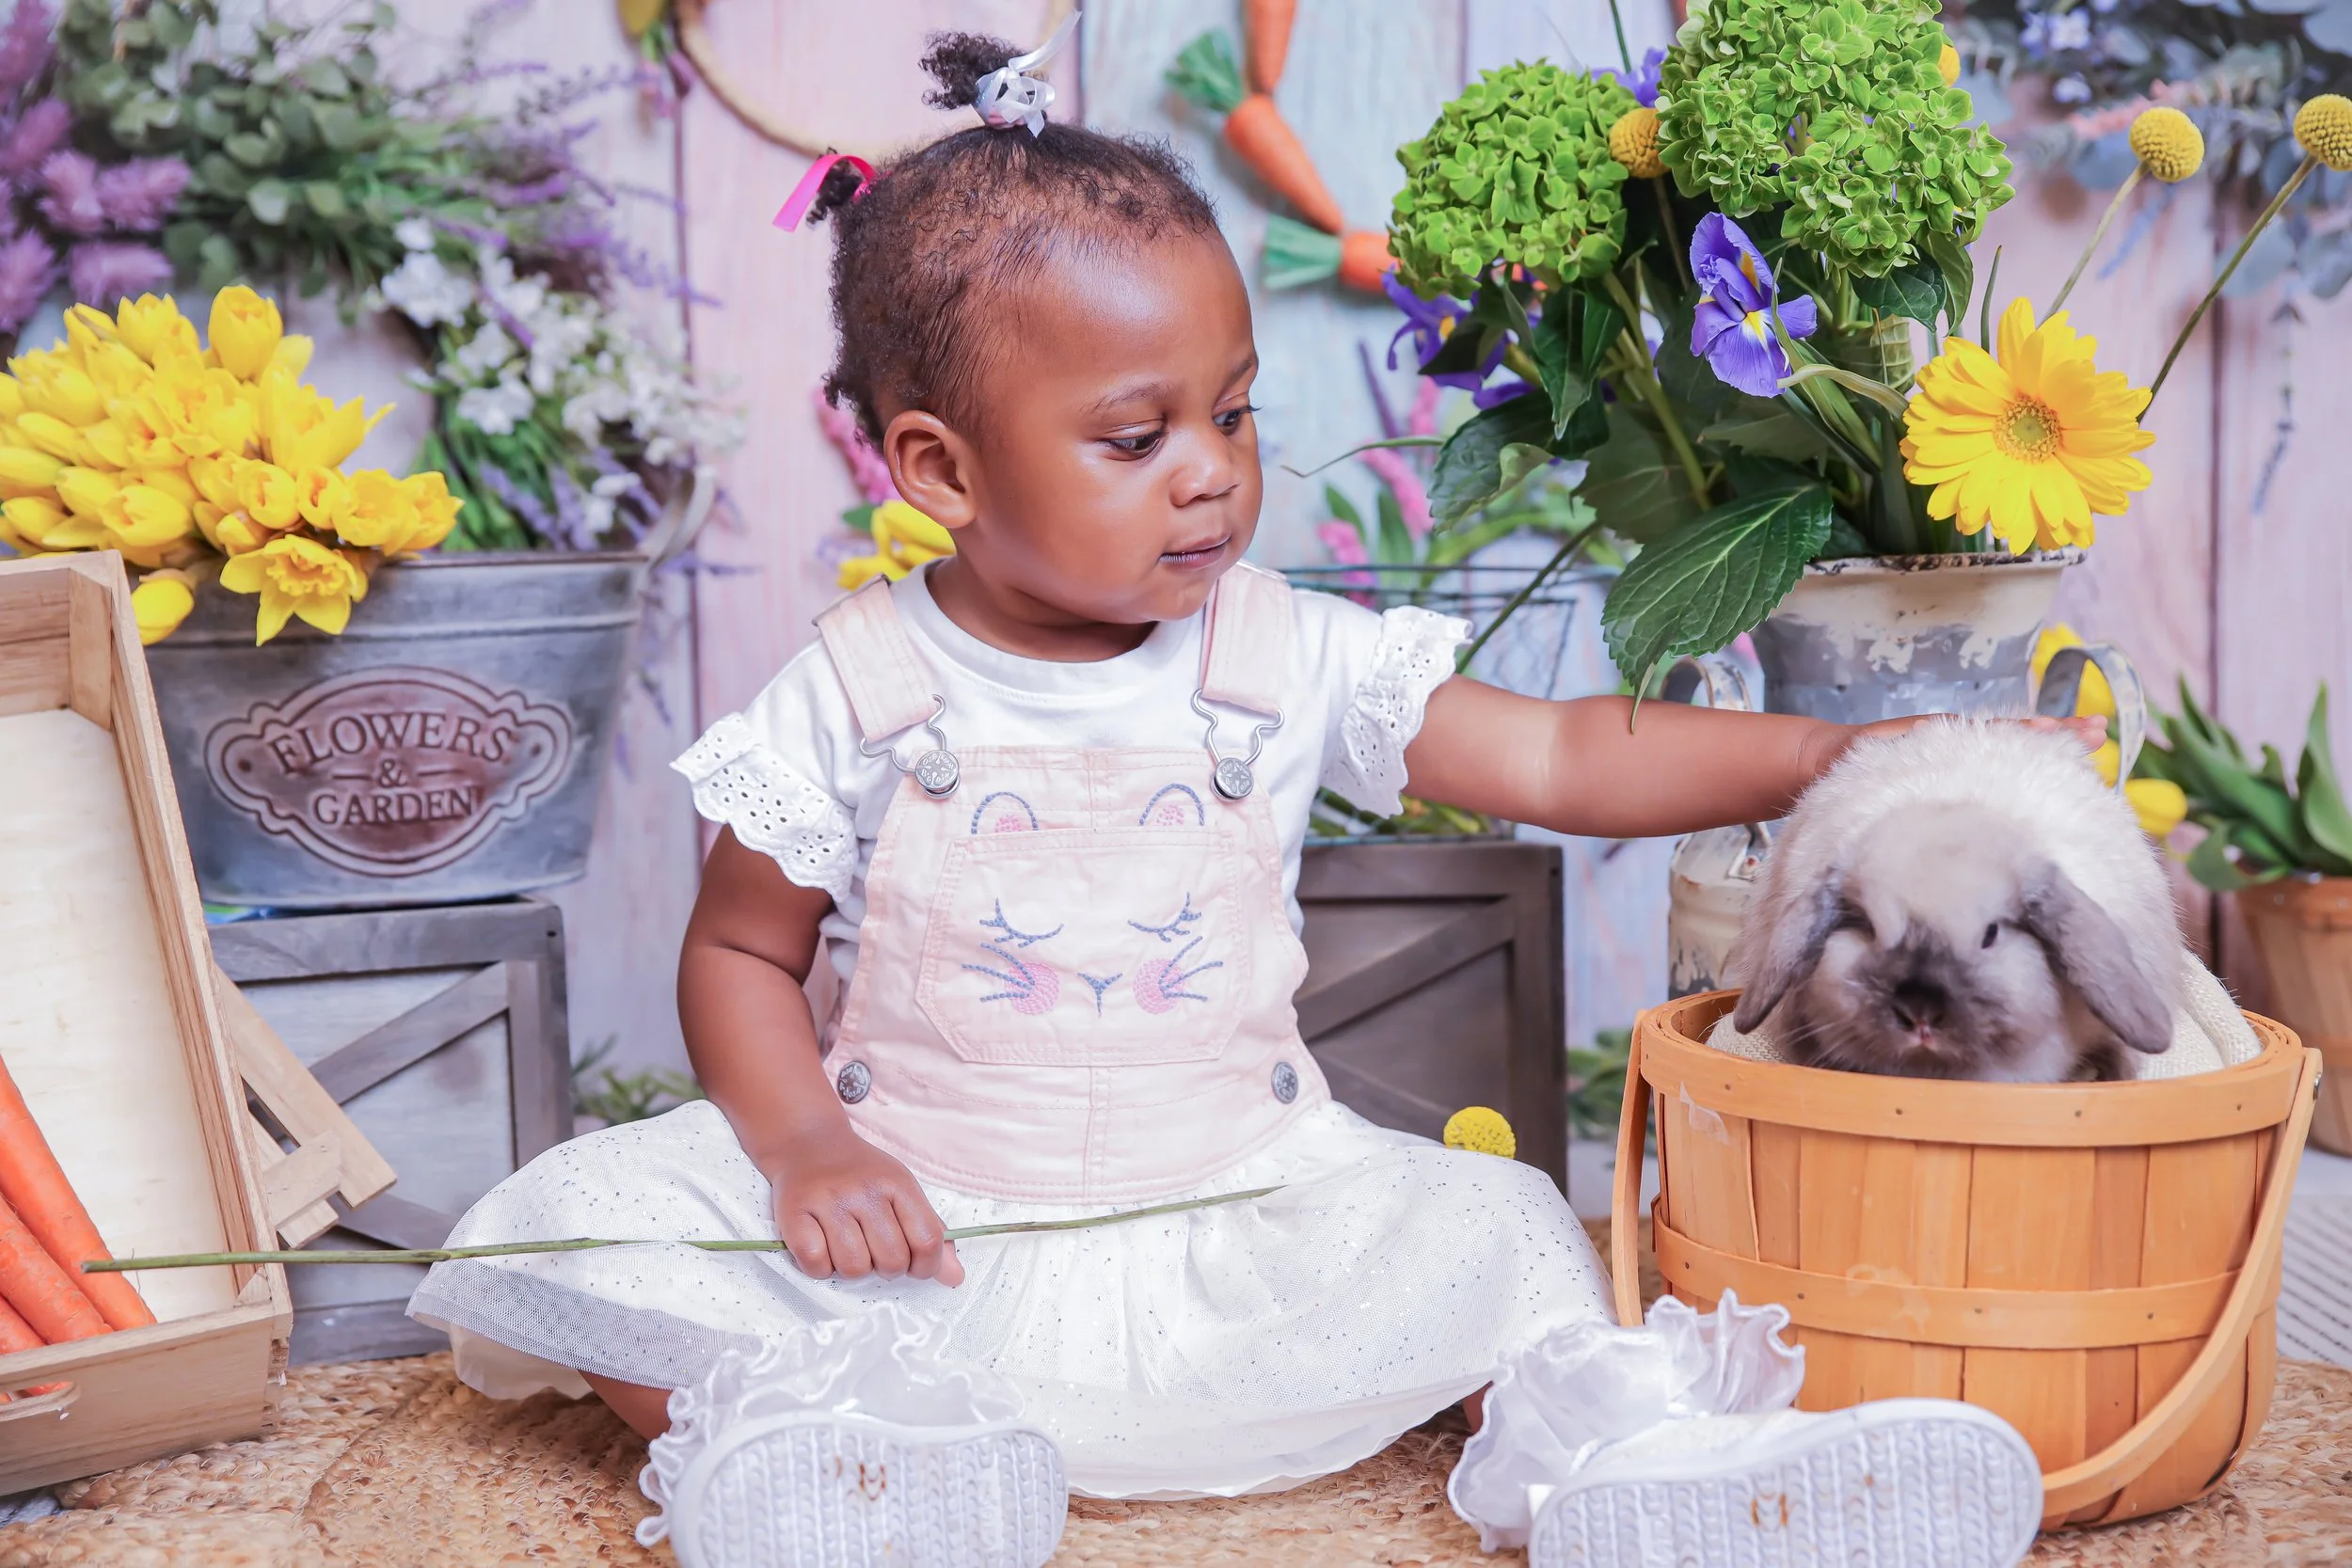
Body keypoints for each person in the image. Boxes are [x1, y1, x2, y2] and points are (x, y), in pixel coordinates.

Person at [410, 27, 2078, 1568]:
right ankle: (810, 1458)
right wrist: (809, 1149)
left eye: (1231, 411)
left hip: (1243, 1209)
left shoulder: (1282, 648)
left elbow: (1563, 752)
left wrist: (1822, 756)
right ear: (939, 469)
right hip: (928, 1232)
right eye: (1135, 437)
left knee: (1504, 1232)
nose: (1210, 467)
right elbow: (741, 957)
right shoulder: (854, 688)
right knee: (589, 1226)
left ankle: (1633, 1469)